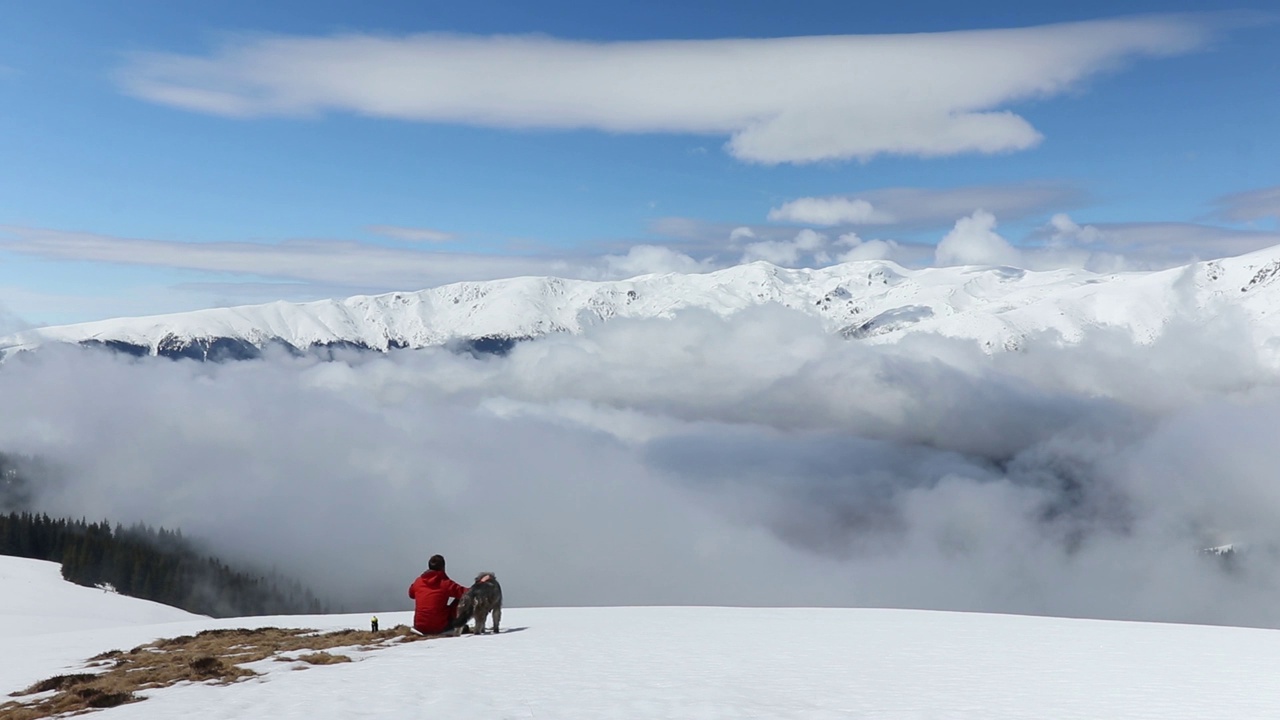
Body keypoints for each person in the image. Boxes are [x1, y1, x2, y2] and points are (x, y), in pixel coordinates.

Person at [408, 554, 469, 635]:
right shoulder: (445, 583)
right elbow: (467, 593)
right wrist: (480, 584)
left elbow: (411, 594)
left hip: (420, 627)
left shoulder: (418, 581)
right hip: (440, 627)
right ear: (443, 567)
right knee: (461, 598)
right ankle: (458, 624)